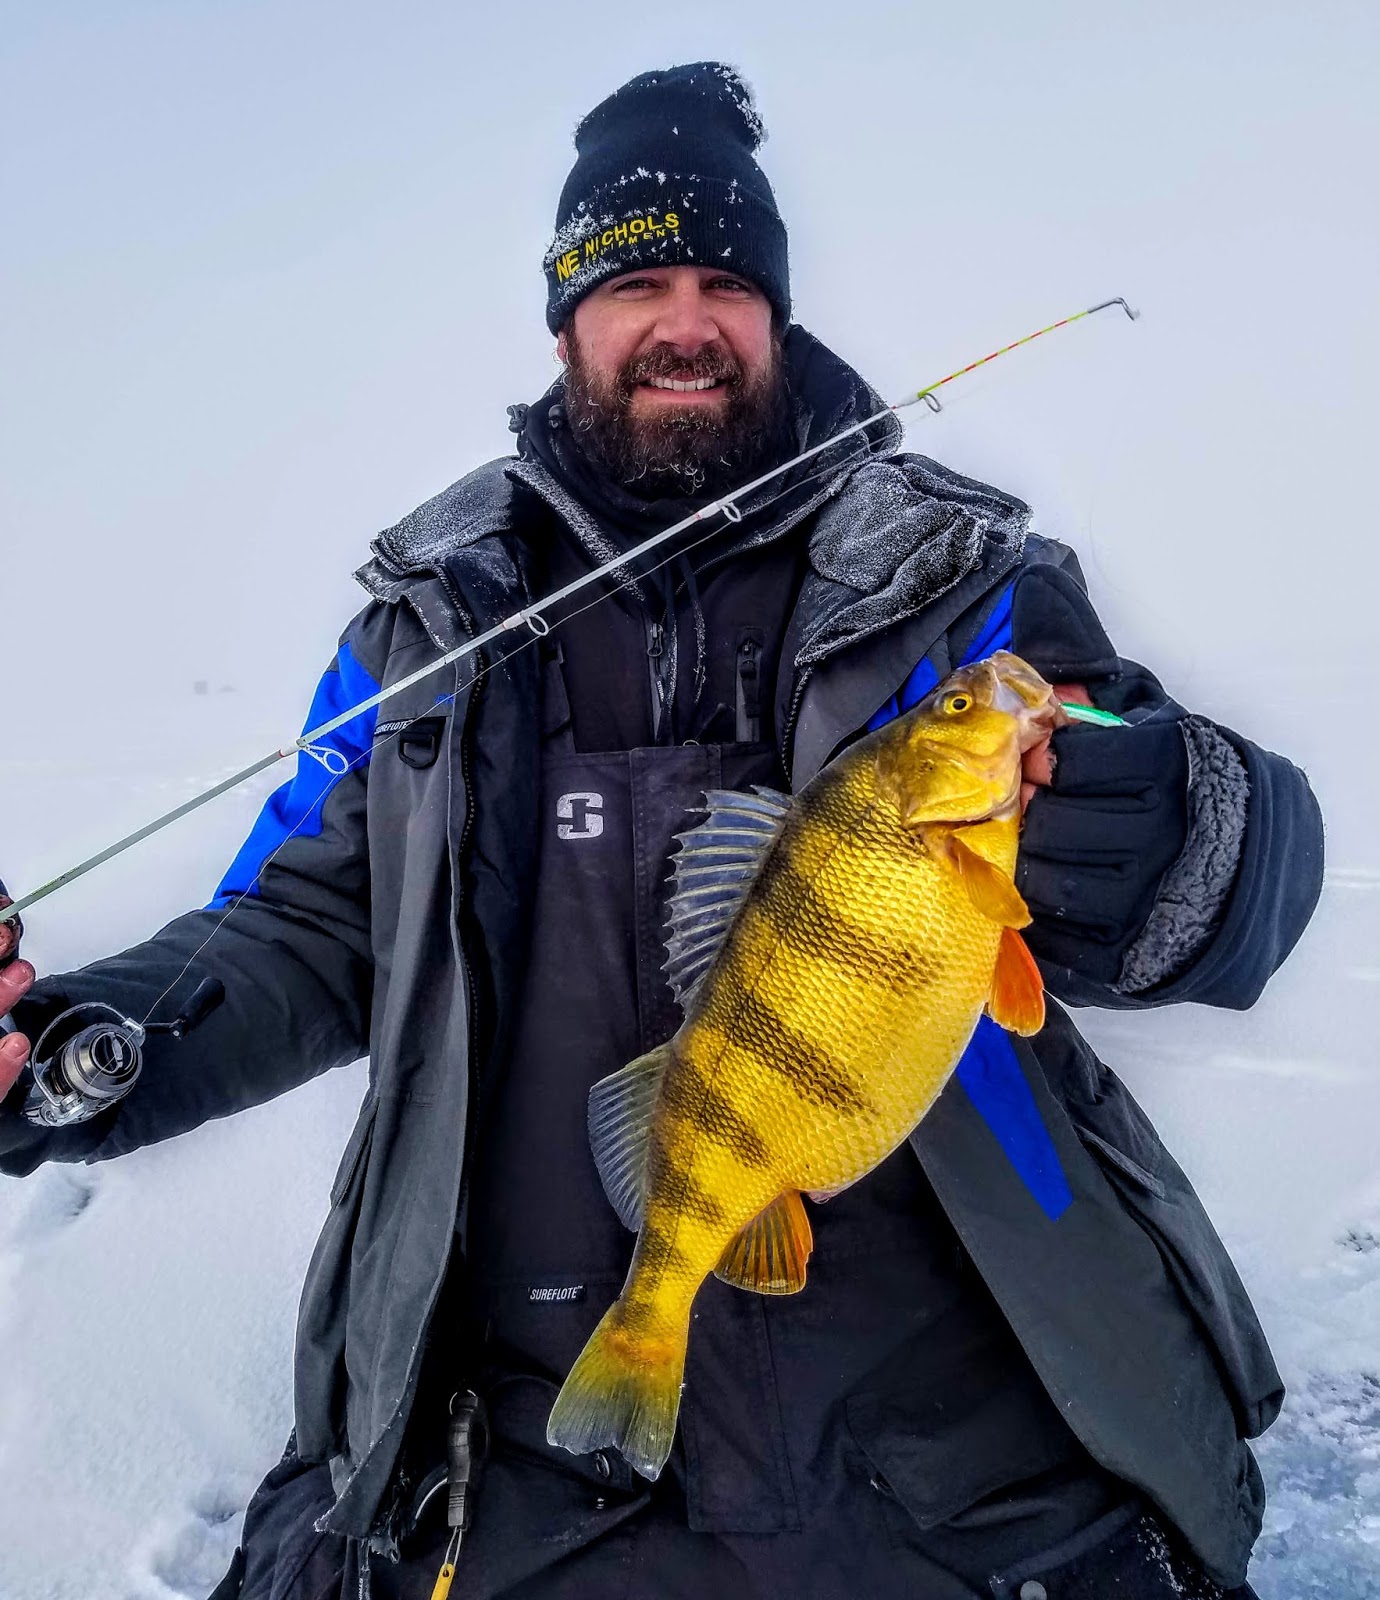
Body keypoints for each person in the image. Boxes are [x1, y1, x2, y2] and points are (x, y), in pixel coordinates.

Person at [0, 62, 1323, 1600]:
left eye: (723, 280)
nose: (683, 320)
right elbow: (295, 921)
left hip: (970, 1463)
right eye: (636, 280)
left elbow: (1240, 869)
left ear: (774, 311)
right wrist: (81, 1047)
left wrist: (1140, 826)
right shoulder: (427, 625)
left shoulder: (960, 579)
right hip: (523, 1464)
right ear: (567, 319)